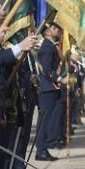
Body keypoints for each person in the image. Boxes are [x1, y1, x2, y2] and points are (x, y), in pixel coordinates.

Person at [34, 22, 63, 161]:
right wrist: (57, 78)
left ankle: (43, 149)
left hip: (50, 87)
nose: (56, 30)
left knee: (48, 120)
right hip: (47, 88)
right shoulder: (47, 46)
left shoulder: (51, 45)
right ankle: (41, 150)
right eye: (53, 28)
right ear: (47, 31)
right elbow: (46, 69)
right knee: (45, 121)